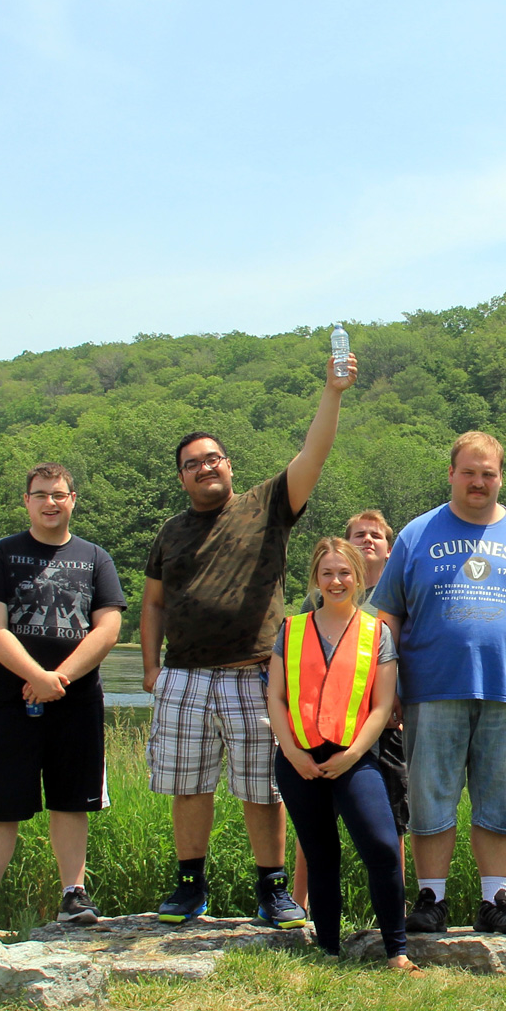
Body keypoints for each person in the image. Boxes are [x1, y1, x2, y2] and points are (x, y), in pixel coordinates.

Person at [141, 353, 357, 926]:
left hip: (254, 674)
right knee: (189, 785)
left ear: (229, 465)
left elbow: (314, 453)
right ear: (182, 476)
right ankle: (189, 887)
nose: (205, 468)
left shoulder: (267, 506)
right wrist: (149, 668)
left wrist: (332, 393)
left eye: (213, 458)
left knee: (264, 788)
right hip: (183, 675)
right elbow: (154, 603)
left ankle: (273, 890)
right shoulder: (169, 532)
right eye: (193, 464)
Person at [371, 431, 506, 934]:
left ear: (501, 477)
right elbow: (388, 618)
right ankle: (431, 899)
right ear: (451, 474)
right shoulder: (417, 534)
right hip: (430, 689)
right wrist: (387, 686)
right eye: (469, 472)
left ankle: (494, 899)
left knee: (501, 800)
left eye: (489, 473)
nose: (479, 482)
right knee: (430, 797)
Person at [0, 464, 126, 932]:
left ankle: (73, 894)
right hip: (11, 702)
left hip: (77, 701)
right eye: (41, 494)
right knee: (0, 803)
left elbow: (108, 627)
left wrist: (59, 678)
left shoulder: (95, 558)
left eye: (59, 494)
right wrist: (35, 676)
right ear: (26, 501)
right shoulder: (0, 554)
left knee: (72, 802)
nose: (51, 502)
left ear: (74, 499)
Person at [266, 537, 418, 971]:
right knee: (320, 853)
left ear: (358, 578)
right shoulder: (291, 630)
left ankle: (397, 952)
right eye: (328, 573)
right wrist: (292, 752)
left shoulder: (377, 633)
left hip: (354, 759)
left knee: (383, 847)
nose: (336, 581)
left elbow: (382, 705)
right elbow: (276, 697)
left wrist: (352, 756)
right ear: (316, 576)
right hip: (299, 759)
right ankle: (328, 948)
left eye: (344, 573)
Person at [292, 508, 408, 909]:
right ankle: (300, 904)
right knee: (315, 826)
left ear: (389, 550)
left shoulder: (402, 594)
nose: (367, 540)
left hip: (386, 727)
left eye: (376, 535)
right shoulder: (317, 600)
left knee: (392, 824)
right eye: (359, 534)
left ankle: (397, 913)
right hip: (322, 730)